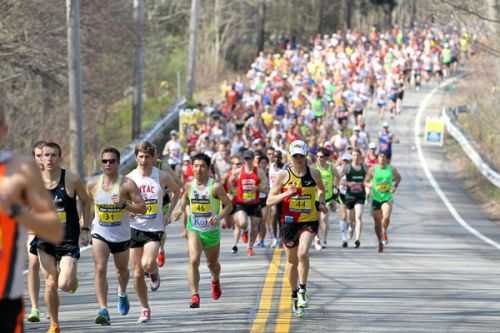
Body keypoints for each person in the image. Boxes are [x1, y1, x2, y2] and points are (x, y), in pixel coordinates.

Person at [0, 109, 62, 333]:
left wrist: (15, 210)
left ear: (3, 130)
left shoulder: (20, 169)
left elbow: (55, 231)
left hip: (5, 297)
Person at [267, 140, 328, 318]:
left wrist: (321, 203)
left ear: (306, 155)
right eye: (295, 156)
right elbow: (269, 200)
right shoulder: (283, 176)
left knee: (303, 253)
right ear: (290, 156)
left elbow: (322, 191)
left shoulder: (314, 173)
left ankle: (302, 289)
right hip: (288, 222)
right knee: (292, 261)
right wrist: (287, 193)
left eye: (301, 156)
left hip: (309, 220)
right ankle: (294, 294)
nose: (298, 159)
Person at [36, 142, 92, 333]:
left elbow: (86, 201)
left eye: (53, 155)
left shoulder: (70, 179)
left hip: (68, 238)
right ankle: (54, 324)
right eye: (45, 155)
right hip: (44, 238)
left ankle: (72, 278)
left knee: (65, 284)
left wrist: (85, 227)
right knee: (50, 282)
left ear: (60, 157)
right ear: (40, 158)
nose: (49, 159)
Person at [87, 147, 146, 325]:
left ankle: (122, 292)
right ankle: (103, 309)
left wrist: (125, 204)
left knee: (122, 271)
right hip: (100, 233)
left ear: (118, 163)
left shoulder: (127, 184)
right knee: (100, 268)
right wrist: (84, 227)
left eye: (112, 161)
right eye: (105, 161)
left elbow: (142, 207)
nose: (108, 164)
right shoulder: (92, 184)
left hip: (120, 235)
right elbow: (86, 207)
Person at [127, 142, 180, 323]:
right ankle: (144, 308)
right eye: (140, 156)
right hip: (134, 227)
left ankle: (154, 271)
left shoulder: (161, 176)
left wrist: (169, 213)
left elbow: (177, 191)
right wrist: (128, 211)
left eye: (147, 157)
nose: (144, 160)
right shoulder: (129, 178)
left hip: (154, 227)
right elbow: (121, 201)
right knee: (136, 273)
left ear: (154, 158)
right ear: (136, 158)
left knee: (148, 263)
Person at [172, 153, 233, 308]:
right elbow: (184, 200)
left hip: (211, 231)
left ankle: (215, 280)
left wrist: (218, 217)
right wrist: (178, 210)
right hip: (194, 228)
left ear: (208, 168)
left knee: (212, 264)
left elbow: (229, 206)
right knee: (193, 260)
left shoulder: (215, 186)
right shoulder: (188, 185)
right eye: (196, 166)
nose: (198, 169)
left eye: (202, 166)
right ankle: (195, 295)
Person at [229, 149, 267, 256]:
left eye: (249, 159)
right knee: (242, 223)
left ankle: (250, 247)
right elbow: (230, 182)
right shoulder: (238, 171)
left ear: (253, 159)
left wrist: (258, 188)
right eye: (245, 159)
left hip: (255, 203)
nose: (247, 161)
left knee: (255, 227)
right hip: (242, 202)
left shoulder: (259, 171)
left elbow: (266, 187)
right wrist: (233, 191)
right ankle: (245, 230)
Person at [364, 152, 401, 253]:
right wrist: (369, 185)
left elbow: (398, 178)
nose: (382, 160)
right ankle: (380, 241)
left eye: (384, 158)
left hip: (387, 197)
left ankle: (384, 231)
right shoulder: (373, 169)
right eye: (380, 158)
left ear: (386, 160)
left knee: (386, 217)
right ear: (377, 159)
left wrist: (394, 186)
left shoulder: (391, 169)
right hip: (375, 198)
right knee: (377, 223)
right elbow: (365, 181)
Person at [26, 140, 46, 323]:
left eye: (44, 155)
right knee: (33, 264)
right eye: (38, 155)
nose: (42, 159)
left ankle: (51, 301)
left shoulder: (58, 176)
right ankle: (34, 307)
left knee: (49, 271)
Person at [313, 148, 339, 250]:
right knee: (316, 220)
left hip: (327, 197)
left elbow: (338, 176)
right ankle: (317, 239)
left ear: (326, 158)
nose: (319, 158)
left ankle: (324, 237)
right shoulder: (314, 168)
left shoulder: (331, 168)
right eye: (318, 156)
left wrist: (335, 187)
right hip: (315, 197)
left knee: (324, 219)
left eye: (321, 157)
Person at [342, 148, 367, 248]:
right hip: (350, 196)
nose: (356, 157)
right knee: (350, 220)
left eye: (357, 155)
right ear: (352, 156)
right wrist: (348, 183)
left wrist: (366, 184)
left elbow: (370, 178)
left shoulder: (364, 168)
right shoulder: (347, 168)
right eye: (354, 155)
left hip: (360, 195)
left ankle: (357, 239)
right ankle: (351, 229)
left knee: (359, 217)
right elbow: (339, 180)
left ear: (361, 156)